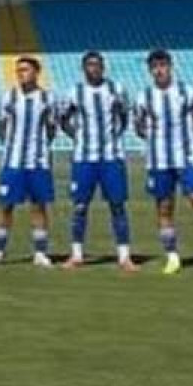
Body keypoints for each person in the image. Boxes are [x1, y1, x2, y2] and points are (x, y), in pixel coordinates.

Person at [133, 49, 193, 275]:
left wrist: (190, 142)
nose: (159, 70)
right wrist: (156, 142)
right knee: (164, 209)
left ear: (170, 67)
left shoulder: (189, 92)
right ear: (150, 70)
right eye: (154, 67)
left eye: (163, 65)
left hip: (188, 158)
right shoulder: (143, 97)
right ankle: (172, 256)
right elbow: (139, 126)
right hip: (159, 161)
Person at [59, 51, 136, 272]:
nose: (93, 68)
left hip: (112, 157)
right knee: (80, 206)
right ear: (83, 68)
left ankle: (124, 256)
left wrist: (114, 136)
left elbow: (124, 117)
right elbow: (63, 119)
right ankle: (76, 255)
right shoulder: (74, 92)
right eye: (89, 65)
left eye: (97, 65)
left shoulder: (116, 89)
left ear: (103, 67)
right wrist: (77, 136)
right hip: (84, 158)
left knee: (117, 205)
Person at [0, 56, 58, 268]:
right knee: (5, 206)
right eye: (18, 70)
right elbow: (1, 126)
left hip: (38, 162)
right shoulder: (8, 97)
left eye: (25, 70)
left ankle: (40, 253)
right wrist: (10, 145)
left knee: (39, 206)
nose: (21, 74)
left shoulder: (48, 98)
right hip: (12, 161)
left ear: (36, 72)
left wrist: (40, 147)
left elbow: (51, 128)